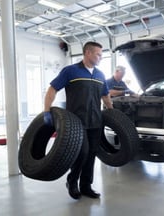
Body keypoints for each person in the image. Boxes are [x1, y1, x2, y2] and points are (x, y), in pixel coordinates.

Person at [43, 41, 113, 200]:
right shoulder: (71, 71)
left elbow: (105, 96)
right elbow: (52, 89)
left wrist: (113, 113)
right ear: (87, 53)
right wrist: (47, 111)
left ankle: (86, 186)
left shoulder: (100, 74)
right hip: (76, 122)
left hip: (95, 121)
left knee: (92, 154)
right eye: (98, 54)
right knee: (82, 153)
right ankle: (72, 182)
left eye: (102, 55)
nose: (100, 57)